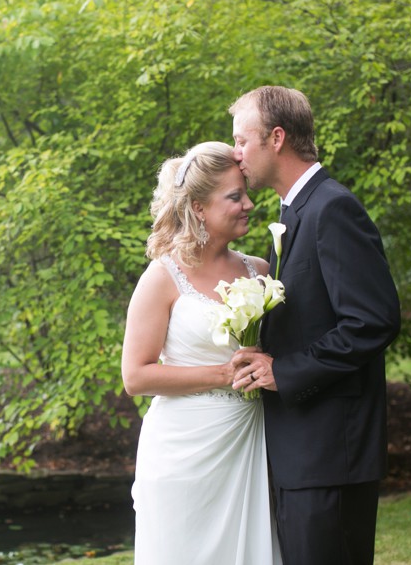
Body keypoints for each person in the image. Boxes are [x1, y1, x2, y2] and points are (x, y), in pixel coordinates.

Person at [228, 86, 402, 565]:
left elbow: (373, 321)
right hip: (302, 449)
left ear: (277, 138)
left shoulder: (332, 209)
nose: (235, 154)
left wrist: (283, 371)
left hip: (331, 451)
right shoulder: (294, 212)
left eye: (242, 141)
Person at [121, 141, 280, 565]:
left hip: (249, 441)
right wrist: (224, 373)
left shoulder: (261, 272)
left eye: (246, 191)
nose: (249, 203)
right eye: (234, 196)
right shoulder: (162, 277)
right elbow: (136, 376)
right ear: (197, 207)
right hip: (183, 452)